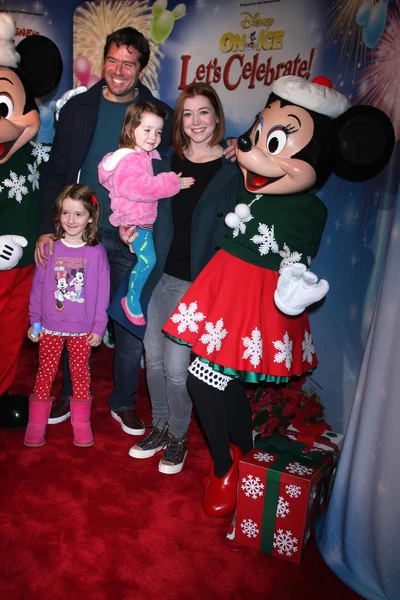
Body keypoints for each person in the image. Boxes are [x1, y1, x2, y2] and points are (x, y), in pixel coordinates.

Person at [162, 75, 395, 516]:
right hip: (222, 288)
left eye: (272, 141)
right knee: (216, 380)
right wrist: (234, 147)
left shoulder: (311, 209)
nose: (255, 150)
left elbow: (297, 263)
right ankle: (240, 454)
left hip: (254, 302)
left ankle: (224, 465)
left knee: (202, 379)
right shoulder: (247, 181)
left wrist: (295, 289)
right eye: (257, 134)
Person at [35, 27, 173, 435]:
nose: (118, 70)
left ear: (141, 68)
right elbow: (56, 170)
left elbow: (171, 174)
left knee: (129, 321)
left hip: (133, 236)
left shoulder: (156, 114)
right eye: (112, 60)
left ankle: (124, 401)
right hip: (82, 233)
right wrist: (48, 228)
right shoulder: (79, 109)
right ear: (104, 61)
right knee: (68, 312)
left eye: (128, 63)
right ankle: (65, 393)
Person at [122, 82, 242, 474]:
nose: (195, 122)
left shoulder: (231, 170)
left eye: (203, 112)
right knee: (152, 359)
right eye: (187, 113)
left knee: (176, 368)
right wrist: (130, 229)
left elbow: (238, 230)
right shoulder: (162, 161)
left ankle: (178, 434)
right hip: (158, 275)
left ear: (217, 116)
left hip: (197, 284)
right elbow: (138, 201)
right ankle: (159, 426)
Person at [24, 184, 110, 448]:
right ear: (58, 215)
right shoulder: (50, 249)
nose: (71, 220)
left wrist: (99, 327)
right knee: (44, 373)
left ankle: (81, 424)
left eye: (78, 214)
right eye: (65, 213)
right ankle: (35, 425)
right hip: (49, 326)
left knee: (80, 374)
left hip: (83, 329)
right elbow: (38, 287)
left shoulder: (96, 252)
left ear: (91, 217)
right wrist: (35, 321)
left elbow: (102, 292)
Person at [98, 100, 194, 327]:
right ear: (131, 129)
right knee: (148, 260)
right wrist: (172, 182)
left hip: (142, 221)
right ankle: (130, 301)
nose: (153, 137)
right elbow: (140, 188)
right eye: (147, 130)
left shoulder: (148, 156)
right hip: (135, 221)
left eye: (159, 132)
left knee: (147, 260)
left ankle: (130, 300)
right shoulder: (130, 159)